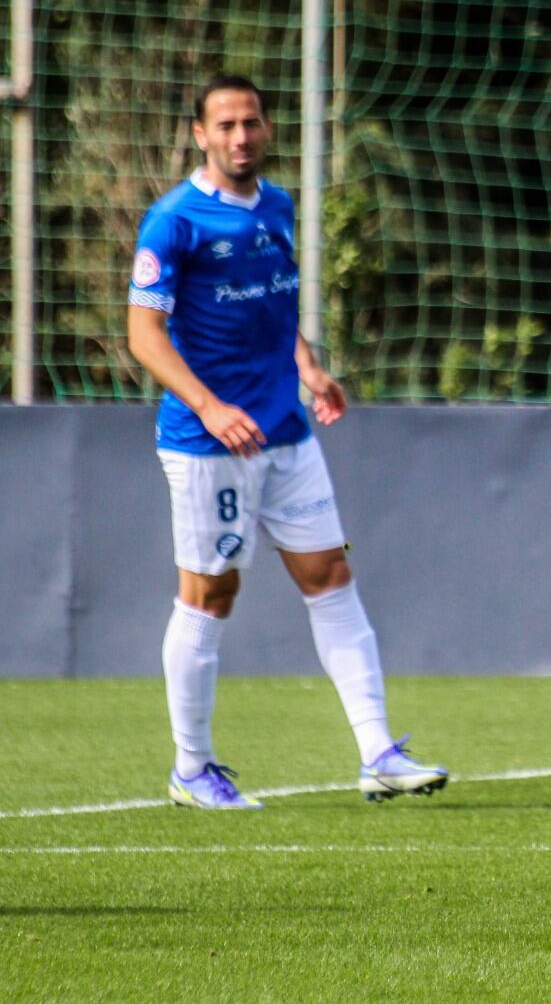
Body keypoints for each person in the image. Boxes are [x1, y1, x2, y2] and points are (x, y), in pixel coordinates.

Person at [127, 75, 447, 809]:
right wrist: (208, 407)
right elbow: (143, 333)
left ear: (268, 128)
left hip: (286, 428)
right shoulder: (172, 221)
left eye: (252, 122)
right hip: (210, 442)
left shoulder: (277, 204)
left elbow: (271, 311)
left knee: (329, 575)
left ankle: (378, 752)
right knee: (211, 594)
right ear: (200, 134)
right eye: (226, 125)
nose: (241, 136)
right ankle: (191, 768)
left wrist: (306, 367)